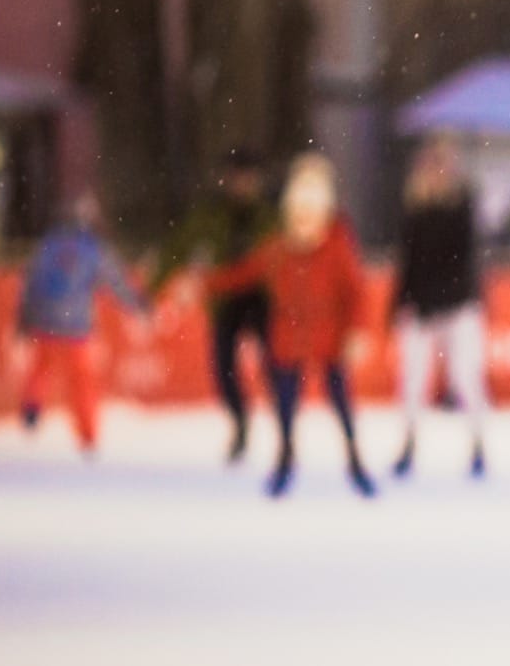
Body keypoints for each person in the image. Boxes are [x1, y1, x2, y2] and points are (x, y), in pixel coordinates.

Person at [209, 154, 376, 499]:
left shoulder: (338, 245)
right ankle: (285, 456)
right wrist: (202, 283)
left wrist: (357, 332)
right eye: (298, 214)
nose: (303, 223)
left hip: (329, 335)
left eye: (310, 214)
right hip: (289, 336)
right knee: (284, 399)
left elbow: (356, 292)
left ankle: (354, 457)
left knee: (340, 398)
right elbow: (243, 274)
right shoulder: (279, 247)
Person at [150, 149, 275, 462]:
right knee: (223, 367)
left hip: (262, 299)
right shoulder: (212, 214)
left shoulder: (269, 215)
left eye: (248, 178)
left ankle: (282, 425)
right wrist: (155, 287)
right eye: (238, 177)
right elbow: (177, 247)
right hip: (226, 301)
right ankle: (240, 421)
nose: (242, 184)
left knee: (276, 366)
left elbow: (286, 259)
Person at [16, 193, 145, 454]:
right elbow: (116, 281)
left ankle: (32, 403)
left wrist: (24, 318)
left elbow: (30, 283)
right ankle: (87, 434)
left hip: (45, 321)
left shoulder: (48, 245)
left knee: (41, 368)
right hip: (77, 326)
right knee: (82, 382)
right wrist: (138, 304)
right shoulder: (93, 248)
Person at [390, 138, 487, 480]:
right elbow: (408, 265)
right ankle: (409, 442)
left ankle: (477, 444)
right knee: (413, 380)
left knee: (465, 376)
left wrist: (438, 299)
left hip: (457, 306)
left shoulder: (461, 209)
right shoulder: (415, 213)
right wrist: (401, 304)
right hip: (421, 308)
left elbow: (463, 265)